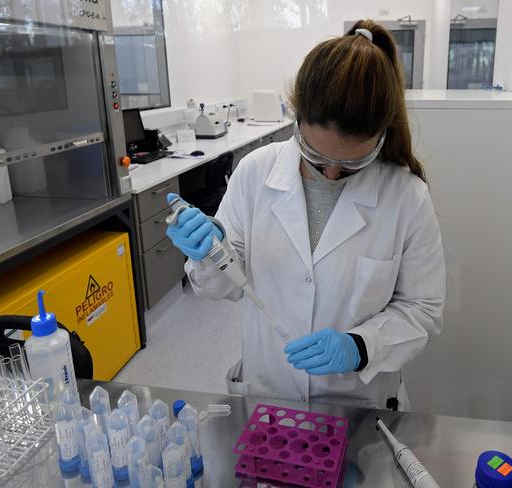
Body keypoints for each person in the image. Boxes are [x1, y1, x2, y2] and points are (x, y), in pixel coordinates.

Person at [165, 20, 445, 410]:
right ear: (295, 119)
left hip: (358, 405)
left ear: (381, 137)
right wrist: (209, 252)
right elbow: (221, 287)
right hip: (271, 392)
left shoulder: (406, 196)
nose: (331, 174)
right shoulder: (255, 173)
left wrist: (361, 346)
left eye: (351, 165)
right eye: (316, 157)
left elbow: (423, 311)